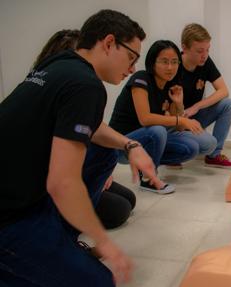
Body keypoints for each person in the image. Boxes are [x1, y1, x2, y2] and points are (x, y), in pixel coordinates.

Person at [0, 9, 156, 286]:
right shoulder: (86, 85)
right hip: (10, 219)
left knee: (105, 150)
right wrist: (105, 241)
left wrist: (130, 144)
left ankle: (58, 241)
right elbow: (62, 183)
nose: (132, 68)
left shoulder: (58, 65)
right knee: (99, 281)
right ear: (108, 43)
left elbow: (93, 128)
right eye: (131, 57)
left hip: (26, 199)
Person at [33, 28, 137, 229]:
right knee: (120, 209)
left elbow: (92, 128)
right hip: (48, 179)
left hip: (71, 169)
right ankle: (62, 225)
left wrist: (105, 170)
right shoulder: (67, 87)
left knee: (128, 199)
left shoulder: (80, 88)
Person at [110, 40, 217, 192]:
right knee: (158, 130)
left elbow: (178, 127)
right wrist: (182, 119)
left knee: (191, 148)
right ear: (153, 63)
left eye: (174, 62)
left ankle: (146, 166)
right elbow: (145, 119)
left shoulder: (170, 85)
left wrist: (178, 104)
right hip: (122, 145)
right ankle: (148, 179)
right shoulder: (141, 79)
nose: (170, 67)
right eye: (164, 62)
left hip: (145, 143)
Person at [169, 23, 231, 169]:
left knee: (229, 104)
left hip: (193, 116)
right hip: (175, 121)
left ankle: (214, 156)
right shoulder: (173, 66)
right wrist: (181, 118)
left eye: (207, 50)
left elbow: (223, 91)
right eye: (200, 51)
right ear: (184, 48)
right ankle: (171, 152)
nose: (205, 55)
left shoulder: (205, 61)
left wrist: (197, 106)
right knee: (207, 142)